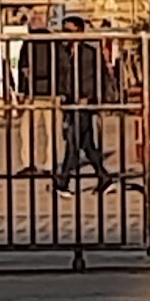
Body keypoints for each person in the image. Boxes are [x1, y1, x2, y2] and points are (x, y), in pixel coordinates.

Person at [53, 15, 114, 196]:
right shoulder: (64, 53)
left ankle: (62, 181)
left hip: (84, 103)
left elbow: (95, 77)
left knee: (73, 143)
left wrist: (89, 97)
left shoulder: (89, 53)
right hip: (70, 103)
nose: (65, 35)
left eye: (69, 31)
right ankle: (104, 178)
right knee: (87, 145)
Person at [14, 8, 60, 178]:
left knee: (30, 130)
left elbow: (23, 68)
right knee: (48, 131)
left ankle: (32, 163)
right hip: (46, 92)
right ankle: (48, 163)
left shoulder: (33, 42)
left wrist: (22, 90)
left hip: (37, 93)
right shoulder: (52, 41)